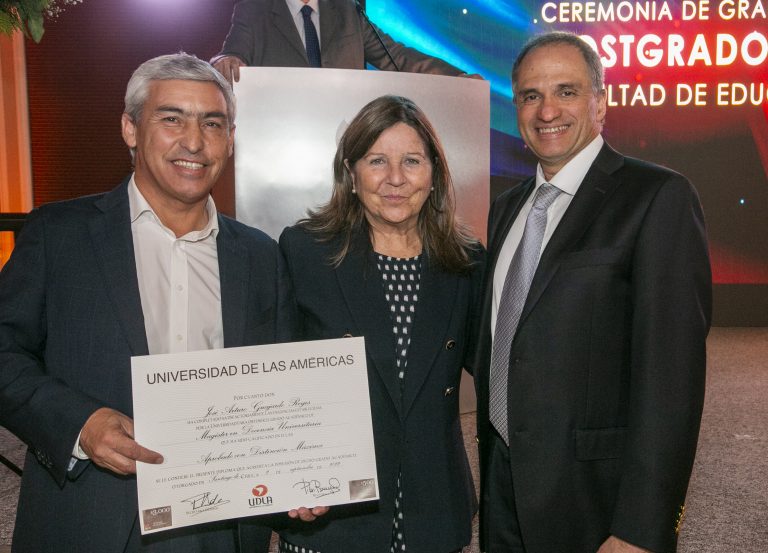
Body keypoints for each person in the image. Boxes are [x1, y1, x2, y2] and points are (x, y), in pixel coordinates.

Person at [0, 53, 319, 553]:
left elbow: (281, 387)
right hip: (91, 519)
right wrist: (80, 424)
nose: (194, 142)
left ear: (230, 139)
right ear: (130, 129)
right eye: (172, 119)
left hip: (224, 526)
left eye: (212, 123)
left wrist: (300, 472)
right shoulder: (57, 236)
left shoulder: (261, 256)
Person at [475, 32, 712, 553]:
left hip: (596, 503)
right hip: (502, 488)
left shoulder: (657, 198)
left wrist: (640, 527)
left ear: (600, 104)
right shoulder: (507, 208)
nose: (547, 111)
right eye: (531, 95)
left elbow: (671, 379)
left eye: (567, 91)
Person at [276, 95, 483, 552]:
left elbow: (499, 371)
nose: (395, 178)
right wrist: (283, 475)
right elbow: (272, 383)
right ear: (351, 175)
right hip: (331, 516)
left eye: (412, 160)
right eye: (376, 161)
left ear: (434, 174)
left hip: (433, 512)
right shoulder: (306, 252)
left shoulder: (466, 264)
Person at [211, 0, 470, 83]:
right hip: (283, 142)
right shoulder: (254, 9)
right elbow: (231, 54)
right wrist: (227, 60)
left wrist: (457, 77)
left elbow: (397, 56)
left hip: (345, 142)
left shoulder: (348, 10)